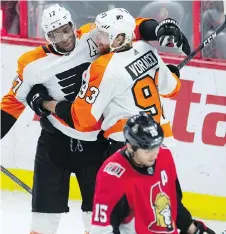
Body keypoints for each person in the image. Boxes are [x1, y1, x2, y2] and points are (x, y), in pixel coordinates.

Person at [1, 6, 191, 234]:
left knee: (98, 222)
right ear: (46, 36)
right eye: (54, 34)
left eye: (65, 29)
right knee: (43, 223)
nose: (63, 38)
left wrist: (158, 27)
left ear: (72, 25)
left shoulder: (93, 35)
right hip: (55, 144)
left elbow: (135, 28)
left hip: (96, 146)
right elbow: (12, 102)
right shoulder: (31, 64)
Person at [89, 113, 216, 234]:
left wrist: (192, 228)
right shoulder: (113, 176)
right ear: (130, 147)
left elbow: (173, 202)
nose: (155, 154)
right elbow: (102, 228)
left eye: (157, 147)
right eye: (147, 150)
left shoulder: (164, 155)